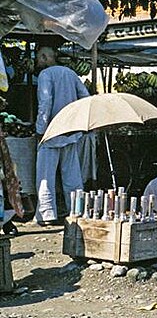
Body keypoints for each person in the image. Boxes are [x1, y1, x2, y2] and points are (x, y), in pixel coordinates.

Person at [35, 46, 91, 226]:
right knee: (72, 176)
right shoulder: (70, 73)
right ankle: (77, 211)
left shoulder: (45, 75)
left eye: (38, 58)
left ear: (44, 57)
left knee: (45, 176)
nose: (37, 62)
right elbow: (85, 96)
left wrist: (40, 129)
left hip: (51, 132)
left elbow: (45, 103)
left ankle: (47, 214)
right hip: (70, 130)